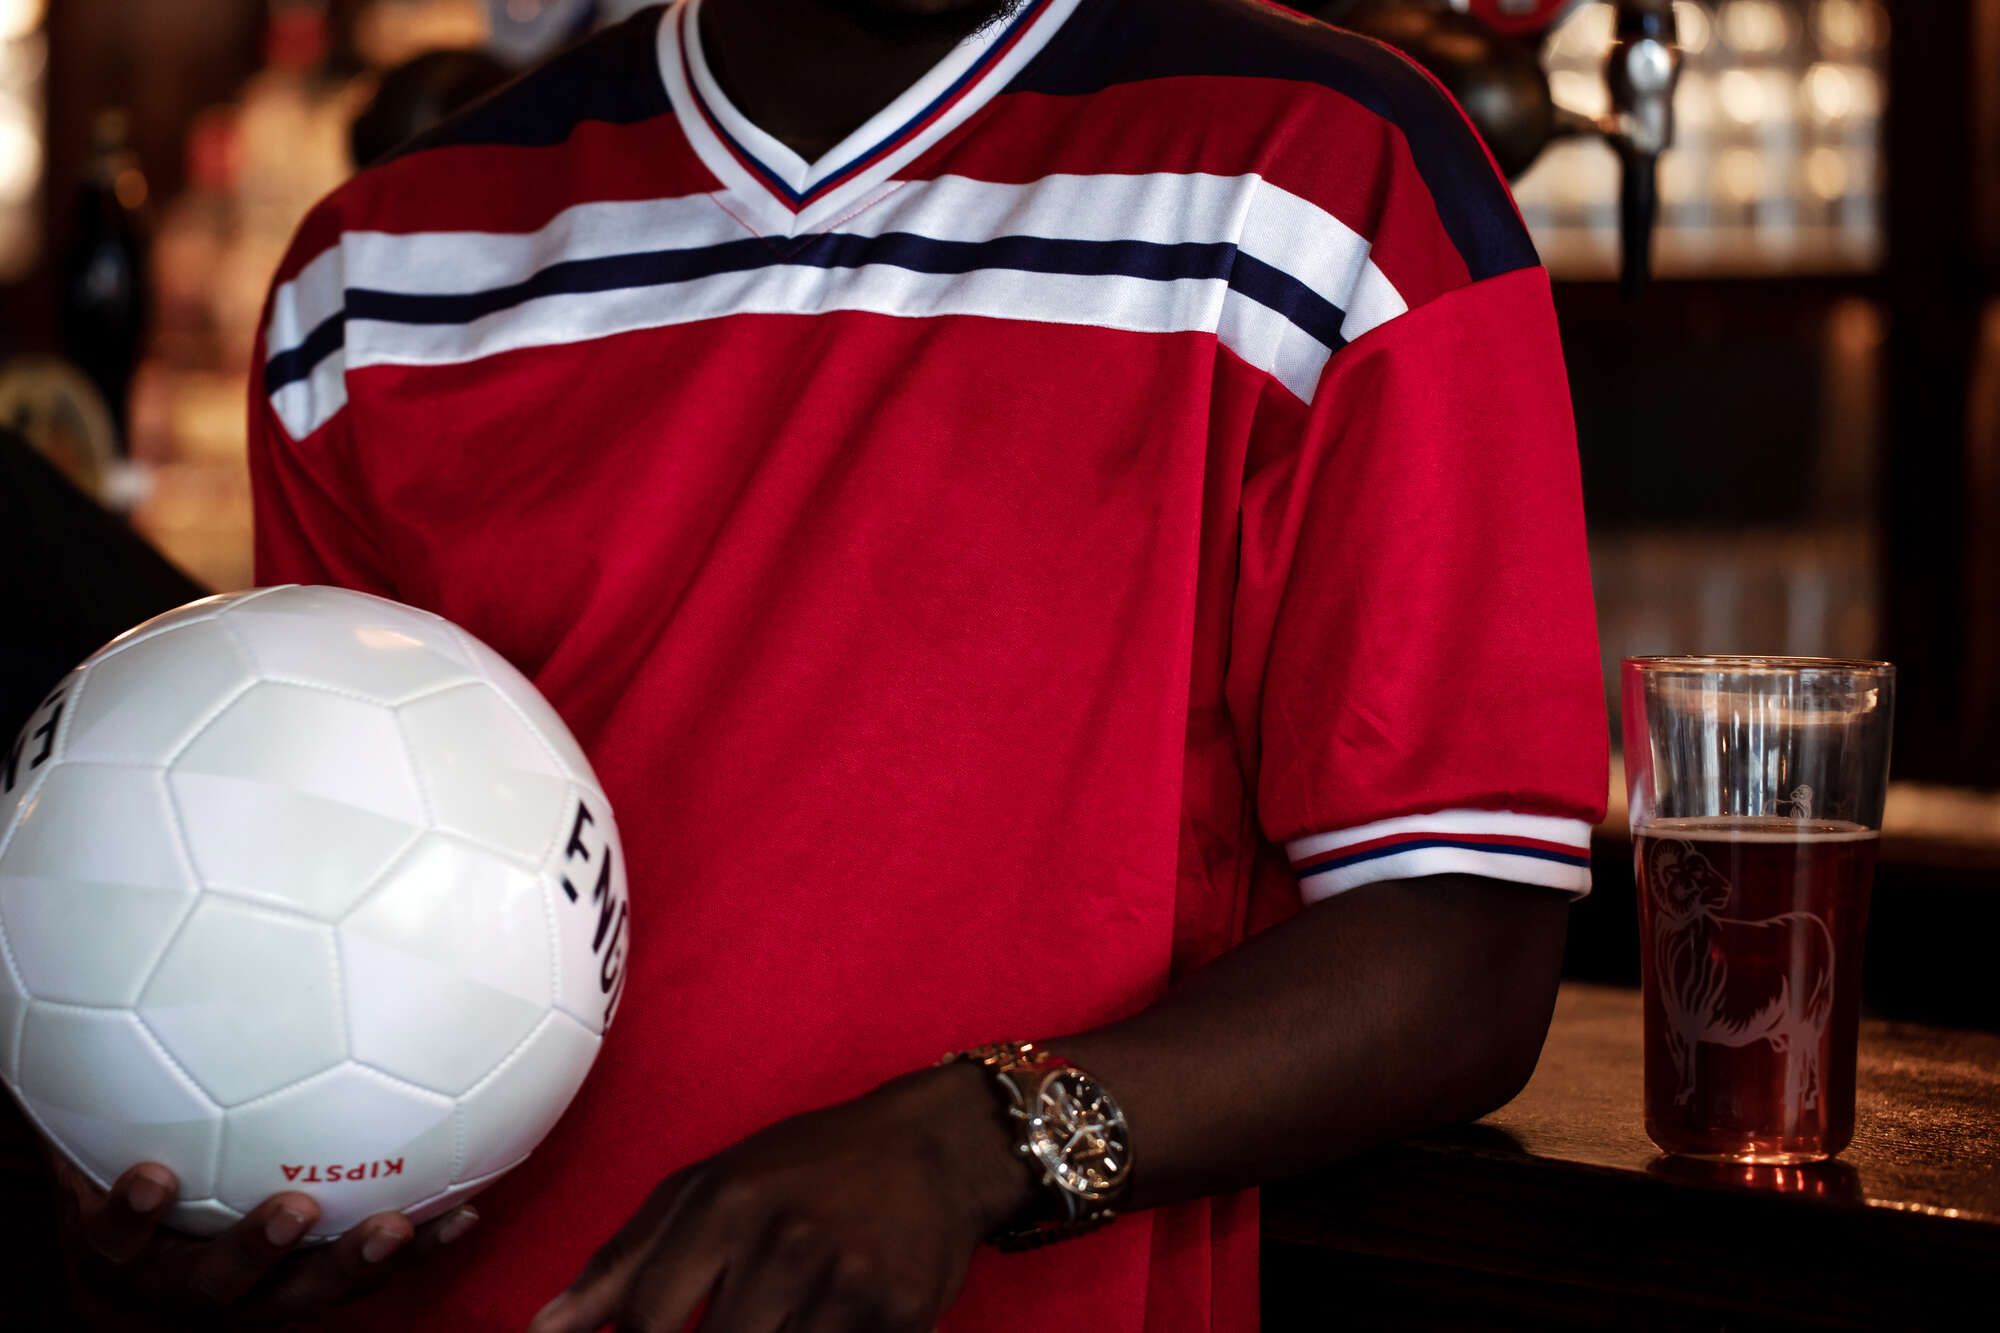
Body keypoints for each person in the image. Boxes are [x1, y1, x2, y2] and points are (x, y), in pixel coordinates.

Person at [49, 0, 1608, 1327]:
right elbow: (303, 914)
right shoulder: (380, 272)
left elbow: (1464, 948)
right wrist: (236, 1173)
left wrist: (964, 1144)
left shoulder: (1332, 179)